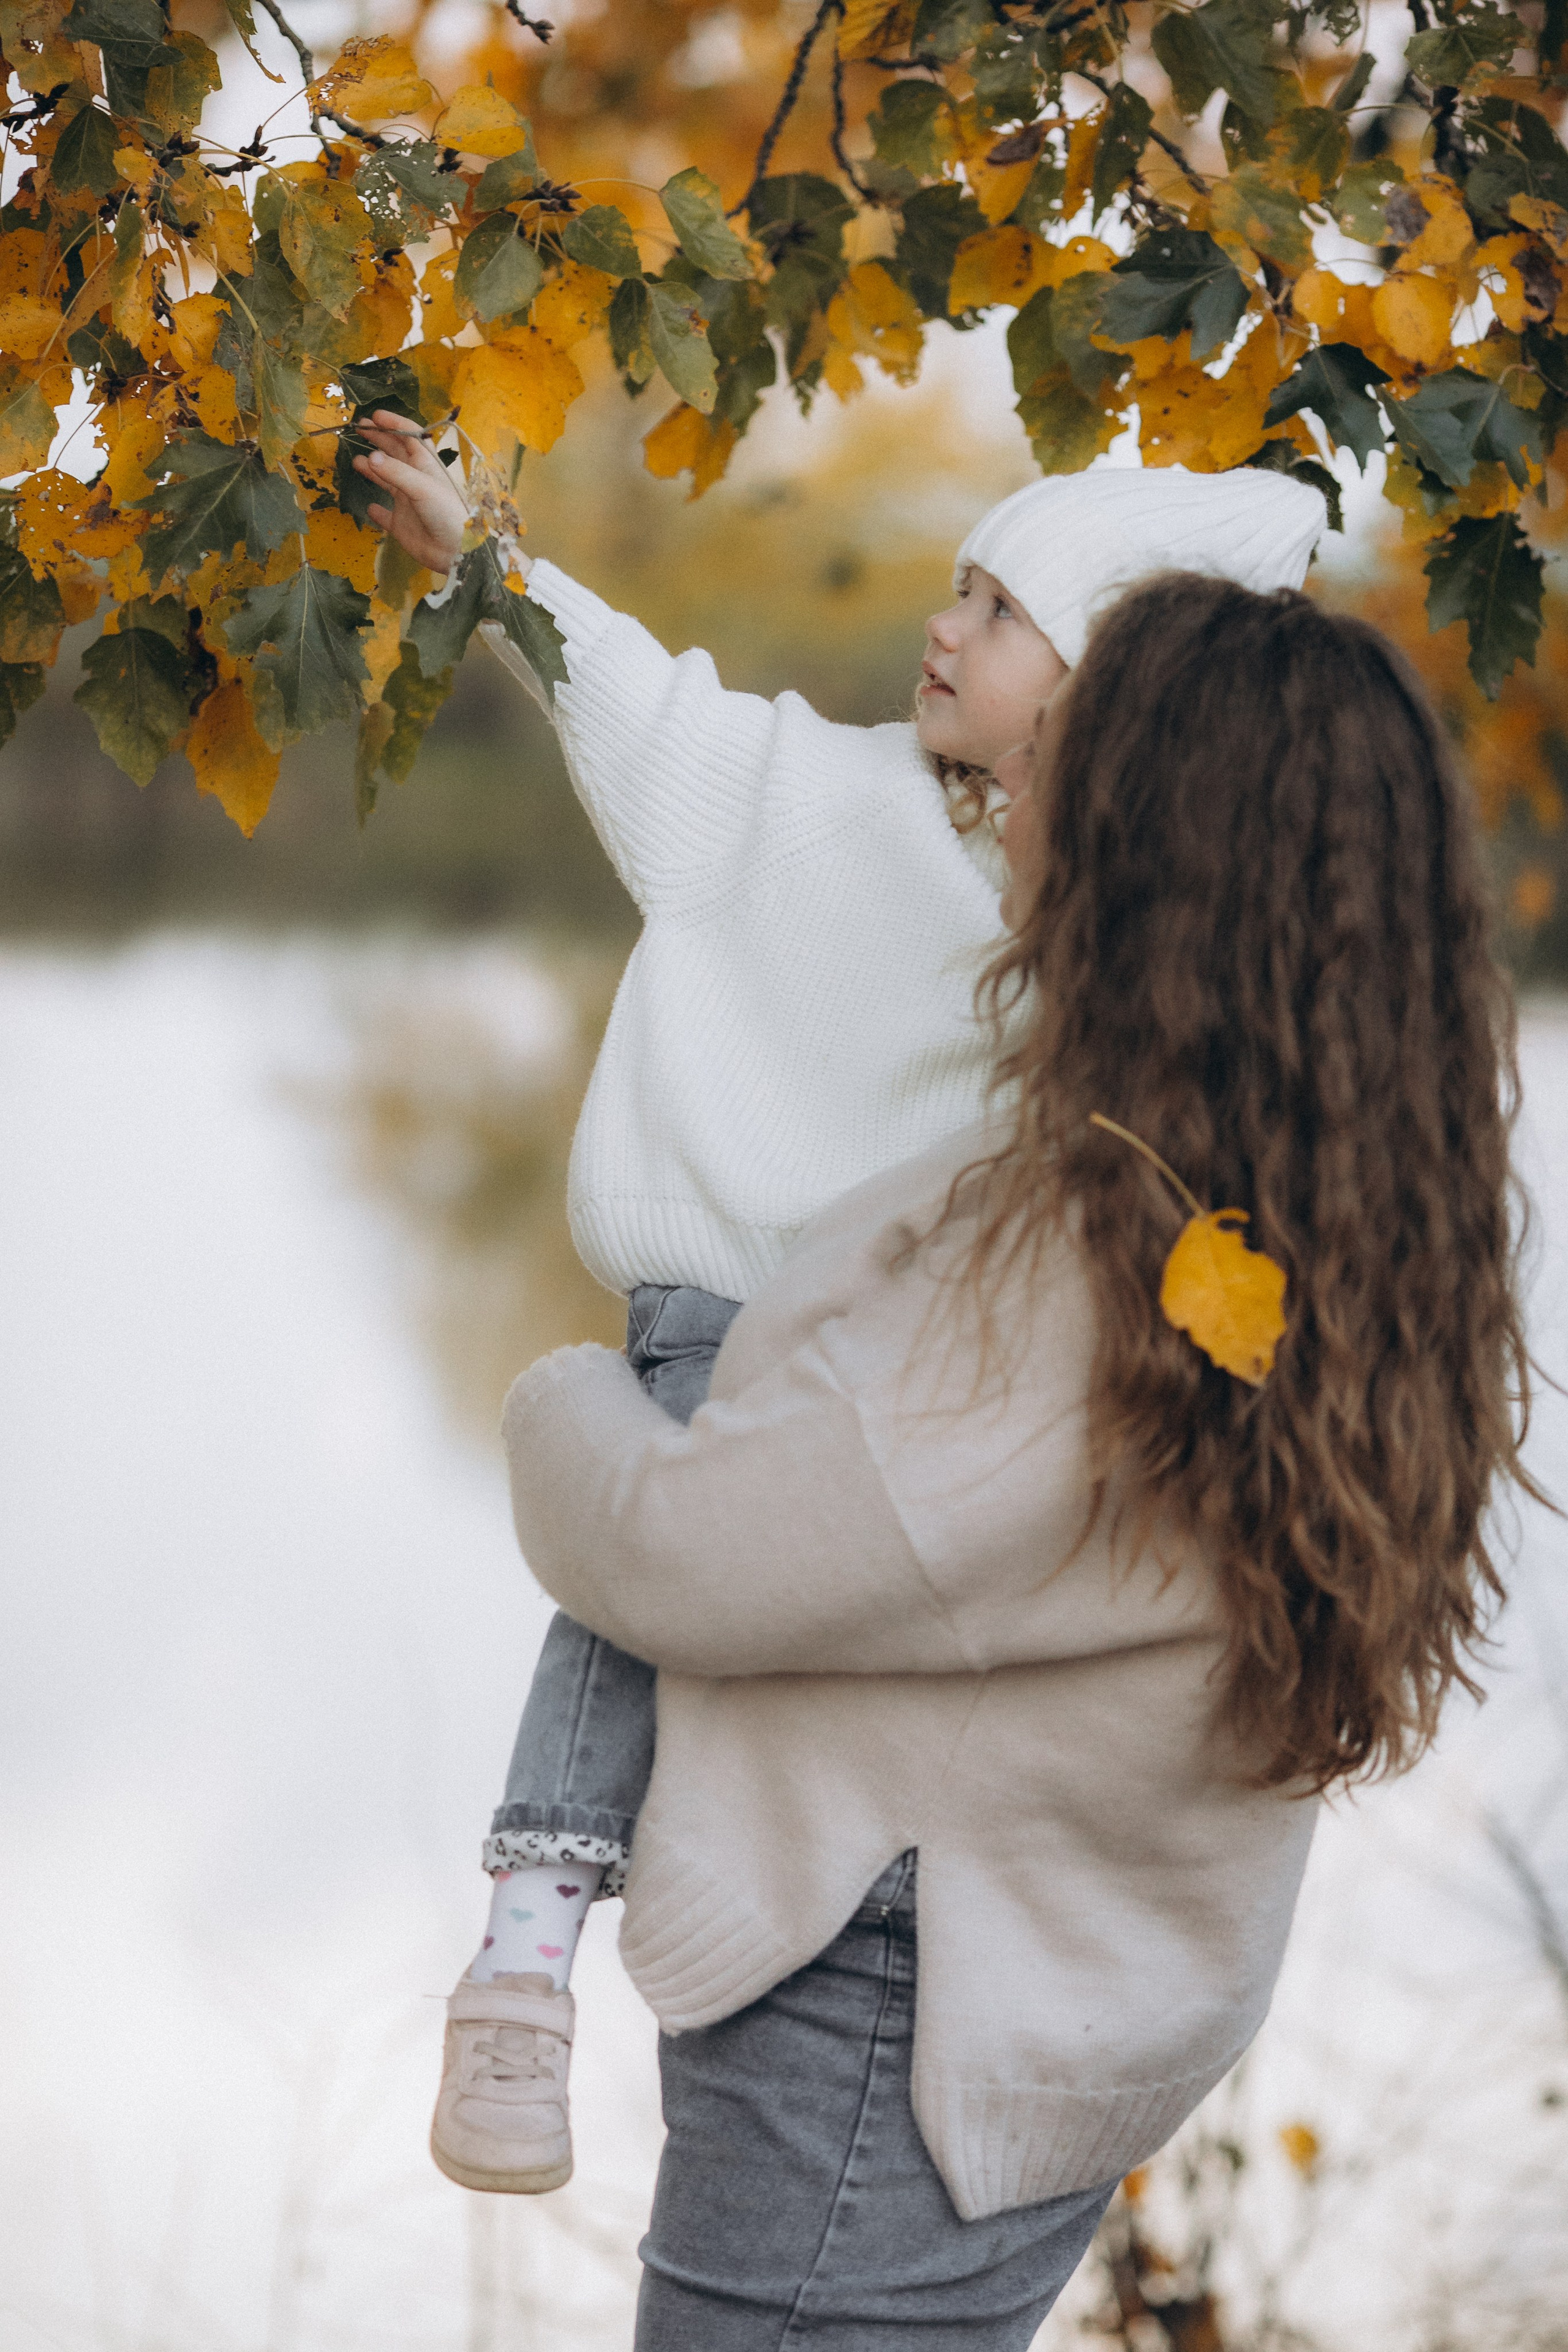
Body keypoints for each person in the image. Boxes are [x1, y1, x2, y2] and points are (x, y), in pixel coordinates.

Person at [498, 570, 1535, 2348]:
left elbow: (682, 1548)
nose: (1012, 783)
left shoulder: (1075, 1272)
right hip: (1061, 1980)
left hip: (888, 2020)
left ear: (1151, 850)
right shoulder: (1349, 1224)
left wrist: (563, 1403)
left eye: (1066, 750)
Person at [354, 420, 1325, 2193]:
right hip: (725, 1320)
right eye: (958, 589)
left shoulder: (1120, 925)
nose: (945, 631)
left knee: (787, 1638)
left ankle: (799, 1933)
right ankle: (528, 1941)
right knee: (649, 1572)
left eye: (1002, 613)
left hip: (905, 1382)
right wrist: (478, 554)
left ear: (1110, 690)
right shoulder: (798, 799)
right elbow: (628, 695)